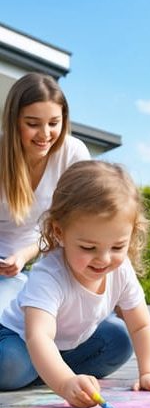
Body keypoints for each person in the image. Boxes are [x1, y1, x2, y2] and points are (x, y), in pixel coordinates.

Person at [0, 160, 150, 408]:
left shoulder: (121, 269)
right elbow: (39, 337)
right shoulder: (49, 275)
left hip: (65, 346)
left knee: (119, 340)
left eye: (118, 246)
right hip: (20, 340)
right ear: (59, 232)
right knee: (12, 365)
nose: (104, 259)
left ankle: (51, 371)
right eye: (88, 247)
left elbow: (140, 326)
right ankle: (53, 373)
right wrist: (65, 384)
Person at [0, 72, 90, 315]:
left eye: (53, 123)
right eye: (32, 124)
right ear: (14, 121)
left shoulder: (73, 154)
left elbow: (76, 224)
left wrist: (26, 253)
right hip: (3, 269)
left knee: (116, 341)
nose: (45, 134)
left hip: (52, 264)